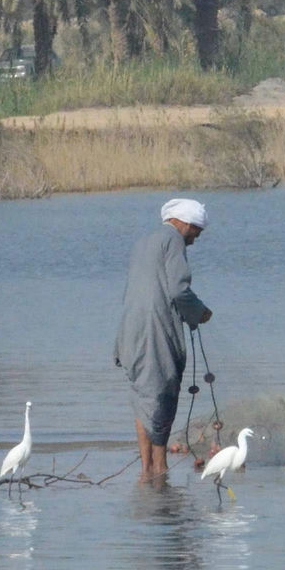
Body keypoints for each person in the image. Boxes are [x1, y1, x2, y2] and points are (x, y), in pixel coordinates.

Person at [115, 197, 213, 480]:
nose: (197, 237)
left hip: (130, 328)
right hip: (153, 329)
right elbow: (179, 290)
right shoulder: (173, 241)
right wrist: (199, 312)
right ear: (184, 223)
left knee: (143, 396)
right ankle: (159, 468)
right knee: (161, 394)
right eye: (197, 230)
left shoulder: (145, 241)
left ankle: (147, 470)